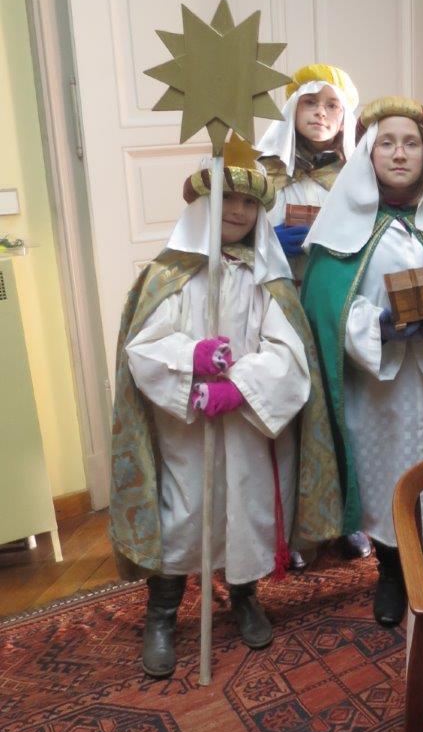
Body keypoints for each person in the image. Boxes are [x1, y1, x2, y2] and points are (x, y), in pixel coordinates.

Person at [109, 138, 342, 678]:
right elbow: (143, 349)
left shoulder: (267, 281)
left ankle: (244, 596)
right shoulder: (167, 276)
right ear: (201, 205)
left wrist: (238, 387)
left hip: (247, 428)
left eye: (249, 203)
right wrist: (190, 359)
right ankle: (163, 613)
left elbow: (289, 354)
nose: (237, 211)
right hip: (183, 429)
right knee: (183, 515)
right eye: (226, 199)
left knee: (246, 510)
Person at [300, 96, 423, 627]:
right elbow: (326, 311)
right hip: (377, 392)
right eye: (386, 143)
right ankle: (390, 570)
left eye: (411, 143)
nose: (398, 153)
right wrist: (379, 328)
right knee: (385, 475)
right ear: (368, 154)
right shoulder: (339, 234)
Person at [256, 63, 371, 561]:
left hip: (336, 303)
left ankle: (350, 516)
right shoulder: (264, 171)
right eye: (310, 102)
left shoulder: (358, 174)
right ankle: (294, 532)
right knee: (289, 413)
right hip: (278, 305)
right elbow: (232, 233)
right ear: (291, 108)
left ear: (346, 117)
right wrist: (268, 243)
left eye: (332, 105)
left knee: (346, 408)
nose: (321, 113)